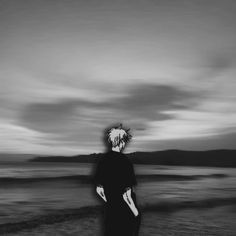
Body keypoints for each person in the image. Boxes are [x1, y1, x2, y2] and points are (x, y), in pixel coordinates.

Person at [94, 124, 141, 236]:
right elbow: (127, 194)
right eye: (124, 141)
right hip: (124, 213)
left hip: (110, 212)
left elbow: (99, 190)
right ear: (121, 142)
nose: (125, 144)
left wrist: (110, 202)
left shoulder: (103, 161)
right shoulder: (125, 162)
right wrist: (135, 212)